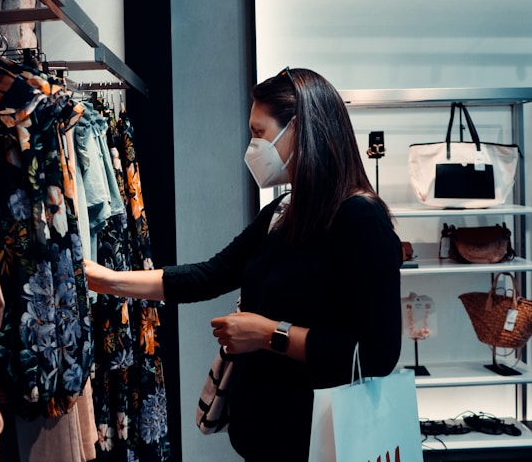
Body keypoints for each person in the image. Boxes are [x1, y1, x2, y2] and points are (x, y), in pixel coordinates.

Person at [85, 67, 403, 461]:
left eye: (259, 132)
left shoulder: (359, 219)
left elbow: (378, 355)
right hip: (266, 436)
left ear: (299, 129)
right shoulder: (284, 211)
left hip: (323, 442)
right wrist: (108, 280)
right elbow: (210, 274)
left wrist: (270, 334)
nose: (252, 146)